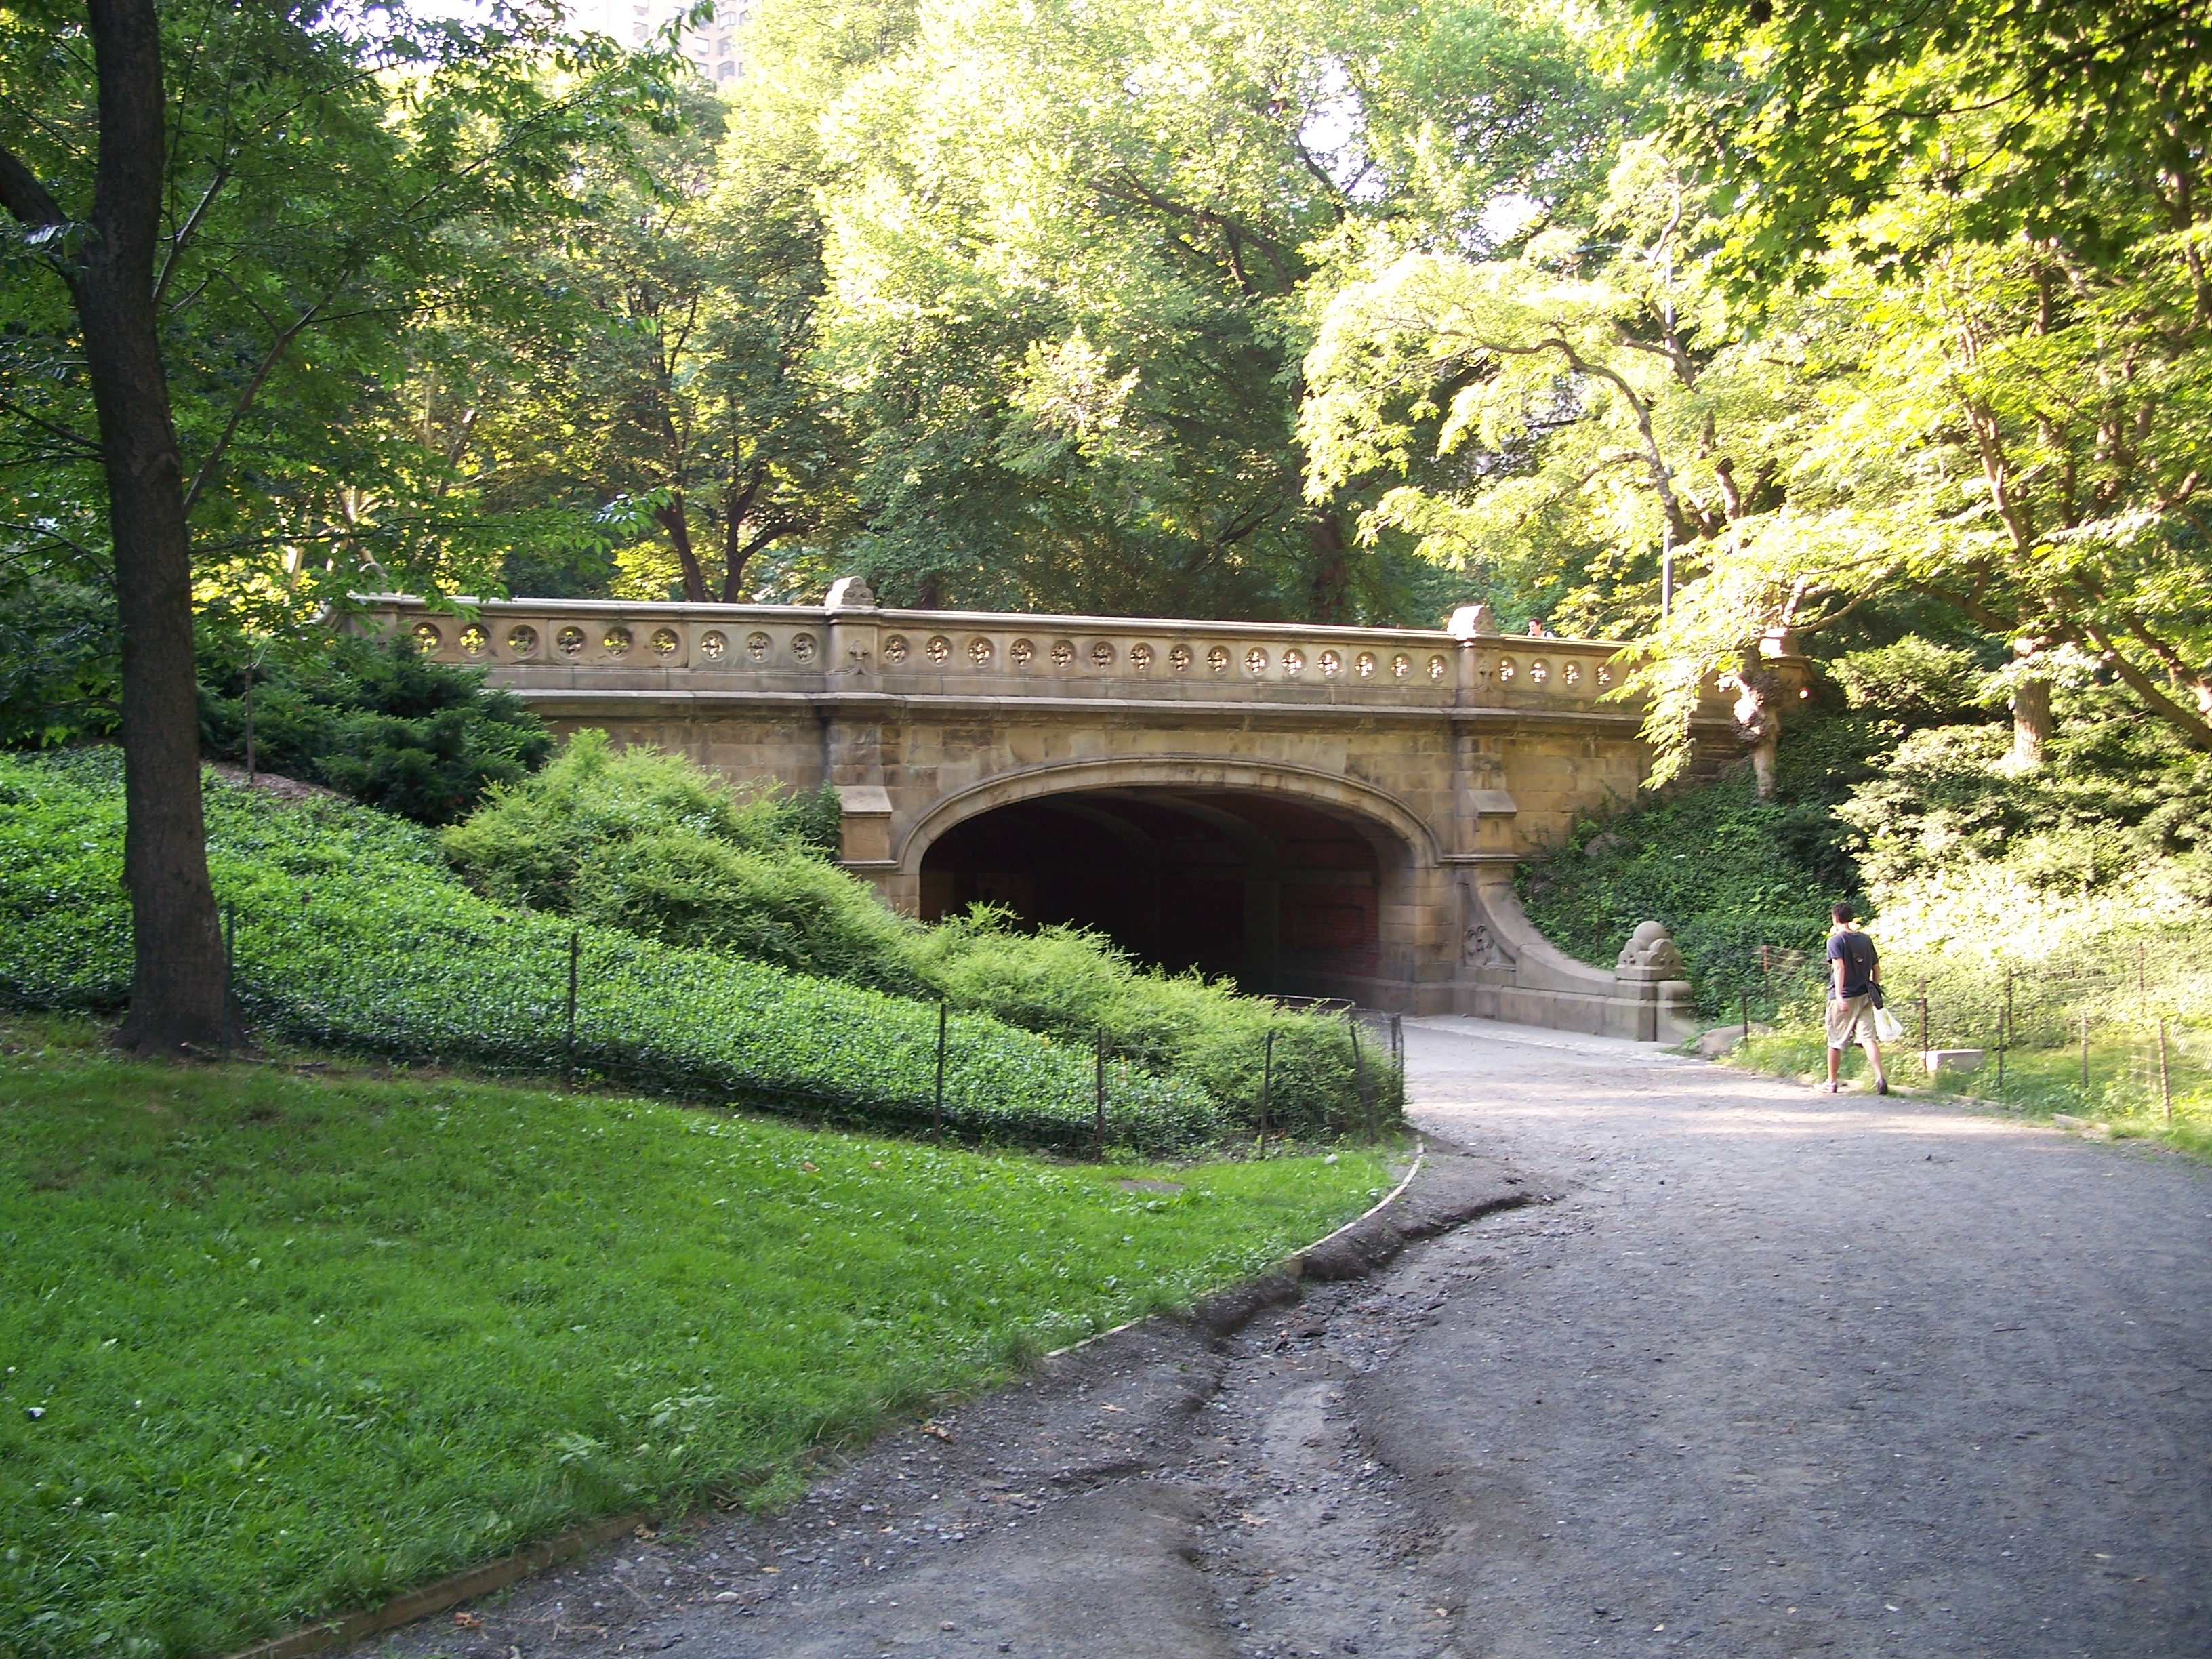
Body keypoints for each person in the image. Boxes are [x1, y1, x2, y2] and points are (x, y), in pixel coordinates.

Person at [1824, 901, 1887, 1094]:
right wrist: (1874, 988)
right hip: (1865, 996)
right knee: (1868, 1038)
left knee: (1835, 1041)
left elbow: (1839, 968)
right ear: (1851, 918)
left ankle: (1831, 1082)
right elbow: (1876, 968)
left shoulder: (1834, 941)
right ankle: (1879, 1077)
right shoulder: (1866, 939)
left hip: (1845, 997)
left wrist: (1840, 995)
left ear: (1835, 919)